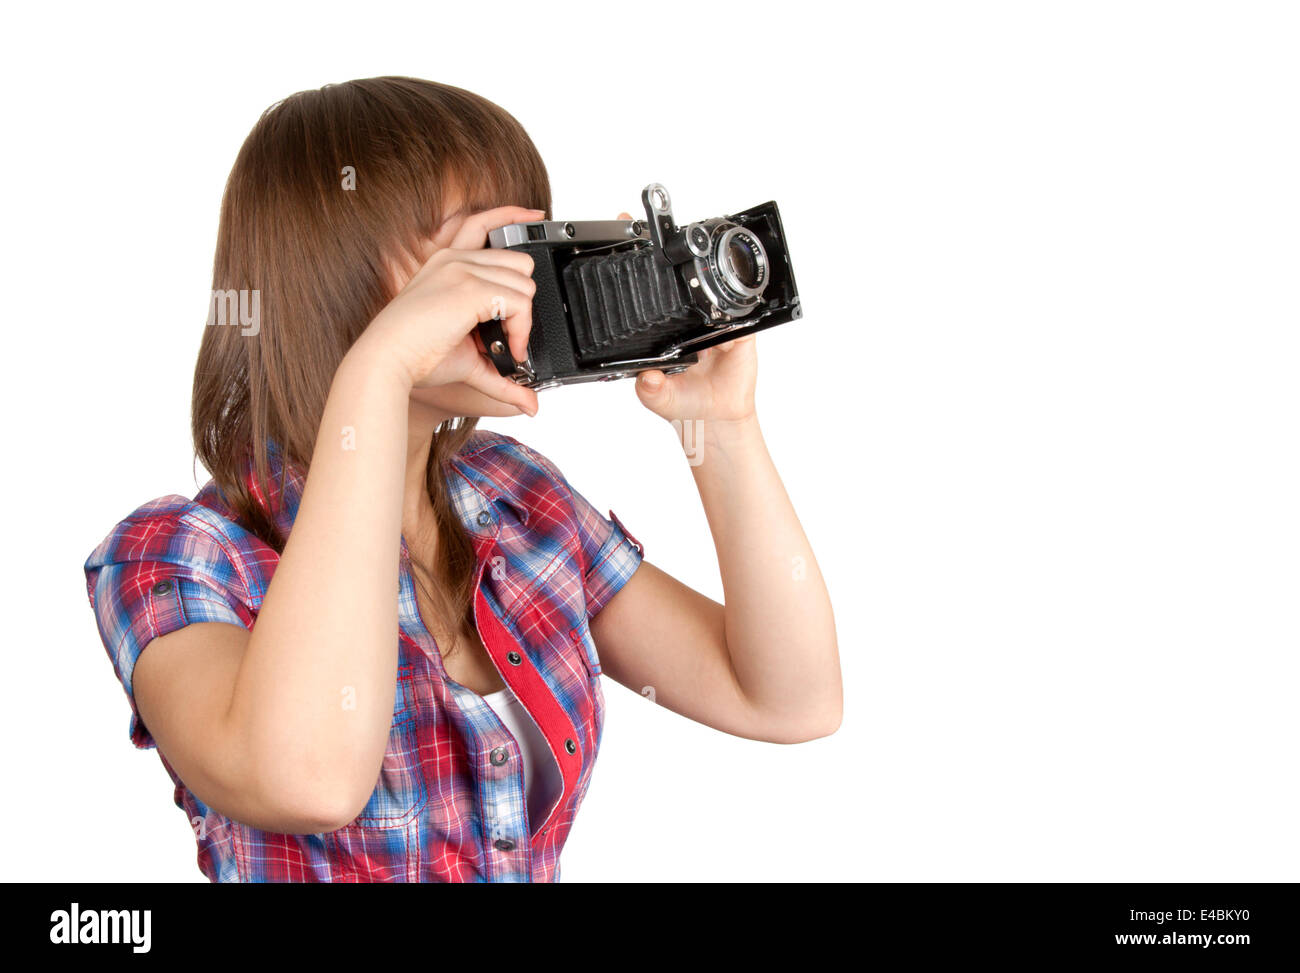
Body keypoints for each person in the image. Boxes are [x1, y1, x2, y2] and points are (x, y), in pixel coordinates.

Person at [84, 76, 840, 882]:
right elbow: (308, 779)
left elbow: (787, 697)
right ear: (332, 271)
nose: (517, 282)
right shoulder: (176, 557)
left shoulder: (515, 498)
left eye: (526, 237)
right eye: (477, 249)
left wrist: (721, 428)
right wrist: (377, 370)